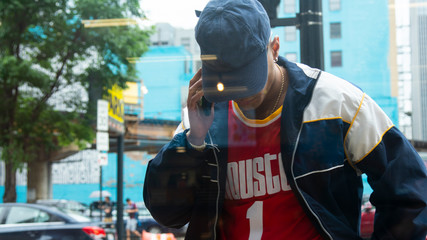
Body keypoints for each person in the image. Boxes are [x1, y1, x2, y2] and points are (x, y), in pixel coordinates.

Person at [143, 0, 427, 239]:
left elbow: (410, 192)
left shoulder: (333, 102)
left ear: (275, 47)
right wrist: (192, 142)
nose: (240, 93)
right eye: (227, 80)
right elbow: (168, 214)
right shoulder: (203, 118)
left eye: (246, 77)